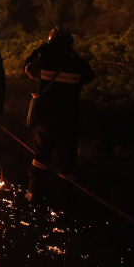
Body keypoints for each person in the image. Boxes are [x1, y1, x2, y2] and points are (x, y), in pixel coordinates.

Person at [22, 26, 95, 203]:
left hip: (46, 120)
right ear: (69, 44)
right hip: (69, 120)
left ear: (50, 44)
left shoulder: (43, 61)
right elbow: (90, 76)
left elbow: (27, 69)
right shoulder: (77, 64)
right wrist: (75, 55)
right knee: (67, 164)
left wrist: (36, 51)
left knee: (40, 159)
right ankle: (65, 202)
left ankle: (34, 195)